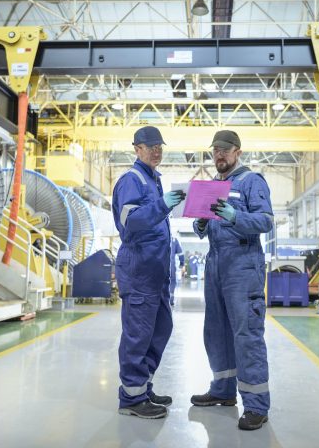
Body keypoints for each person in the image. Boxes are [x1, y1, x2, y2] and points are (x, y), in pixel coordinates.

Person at [190, 129, 274, 431]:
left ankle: (256, 405)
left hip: (243, 265)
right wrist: (202, 223)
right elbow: (207, 228)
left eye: (225, 150)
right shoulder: (212, 186)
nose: (219, 155)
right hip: (215, 263)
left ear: (237, 152)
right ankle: (223, 391)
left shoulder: (252, 181)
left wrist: (234, 216)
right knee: (216, 331)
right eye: (216, 151)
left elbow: (265, 221)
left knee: (246, 333)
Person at [111, 126, 186, 419]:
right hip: (139, 269)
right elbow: (132, 221)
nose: (156, 151)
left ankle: (143, 385)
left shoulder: (153, 181)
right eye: (150, 146)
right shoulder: (133, 180)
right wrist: (162, 204)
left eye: (159, 146)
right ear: (137, 149)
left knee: (160, 330)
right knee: (138, 335)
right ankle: (131, 398)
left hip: (155, 273)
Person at [169, 237, 184, 306]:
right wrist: (182, 263)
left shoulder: (156, 236)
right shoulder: (173, 240)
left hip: (158, 265)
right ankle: (170, 299)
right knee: (172, 282)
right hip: (170, 265)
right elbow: (180, 253)